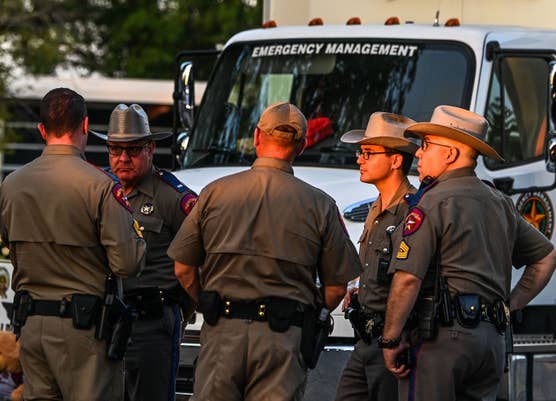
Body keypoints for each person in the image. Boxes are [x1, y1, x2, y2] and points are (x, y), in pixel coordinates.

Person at [168, 102, 361, 401]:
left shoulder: (214, 193)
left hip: (222, 332)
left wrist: (209, 301)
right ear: (302, 145)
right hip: (282, 340)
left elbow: (182, 268)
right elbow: (336, 288)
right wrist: (309, 312)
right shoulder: (320, 205)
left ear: (257, 136)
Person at [380, 105, 556, 401]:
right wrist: (509, 305)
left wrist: (391, 338)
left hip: (442, 342)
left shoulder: (432, 202)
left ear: (450, 154)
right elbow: (546, 257)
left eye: (426, 146)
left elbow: (408, 279)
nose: (419, 154)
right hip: (492, 343)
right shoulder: (500, 203)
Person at [0, 88, 146, 401]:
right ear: (85, 125)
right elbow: (127, 263)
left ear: (41, 129)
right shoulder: (100, 185)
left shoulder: (11, 184)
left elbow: (12, 248)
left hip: (32, 323)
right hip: (83, 330)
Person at [92, 103, 197, 401]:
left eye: (134, 150)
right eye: (115, 150)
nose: (123, 158)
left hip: (152, 322)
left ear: (151, 149)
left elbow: (205, 252)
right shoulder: (98, 188)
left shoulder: (172, 197)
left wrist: (184, 307)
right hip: (106, 319)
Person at [334, 112, 418, 401]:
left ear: (396, 160)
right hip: (366, 336)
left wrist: (395, 336)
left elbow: (410, 277)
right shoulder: (376, 207)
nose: (360, 159)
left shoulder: (411, 212)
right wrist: (360, 289)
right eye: (361, 152)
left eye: (369, 152)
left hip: (391, 338)